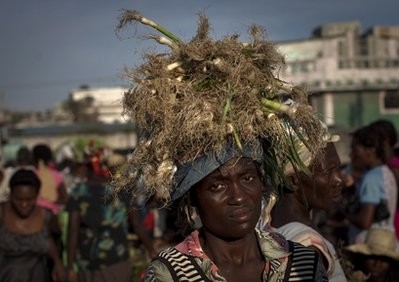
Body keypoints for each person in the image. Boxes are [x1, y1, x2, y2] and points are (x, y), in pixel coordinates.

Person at [114, 10, 332, 281]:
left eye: (248, 178)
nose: (238, 197)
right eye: (217, 185)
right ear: (192, 196)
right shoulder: (169, 274)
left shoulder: (304, 264)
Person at [66, 153, 156, 282]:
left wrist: (70, 267)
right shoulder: (121, 191)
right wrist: (151, 250)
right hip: (116, 261)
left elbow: (72, 230)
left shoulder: (79, 192)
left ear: (90, 169)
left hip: (88, 263)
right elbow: (136, 224)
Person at [267, 142, 347, 281]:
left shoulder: (267, 224)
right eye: (328, 171)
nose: (339, 179)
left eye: (338, 169)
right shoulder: (307, 246)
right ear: (293, 182)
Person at [0, 168, 65, 281]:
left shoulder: (47, 217)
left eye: (30, 199)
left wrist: (57, 263)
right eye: (18, 199)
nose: (24, 204)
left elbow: (51, 242)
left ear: (37, 196)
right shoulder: (2, 214)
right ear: (10, 195)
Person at [346, 125, 398, 244]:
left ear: (371, 151)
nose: (352, 155)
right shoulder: (386, 172)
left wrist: (345, 214)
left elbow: (365, 221)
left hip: (370, 246)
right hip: (386, 242)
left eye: (355, 150)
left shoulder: (371, 178)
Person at [33, 144, 68, 215]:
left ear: (33, 158)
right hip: (52, 214)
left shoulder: (31, 175)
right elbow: (65, 198)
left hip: (34, 215)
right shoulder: (56, 175)